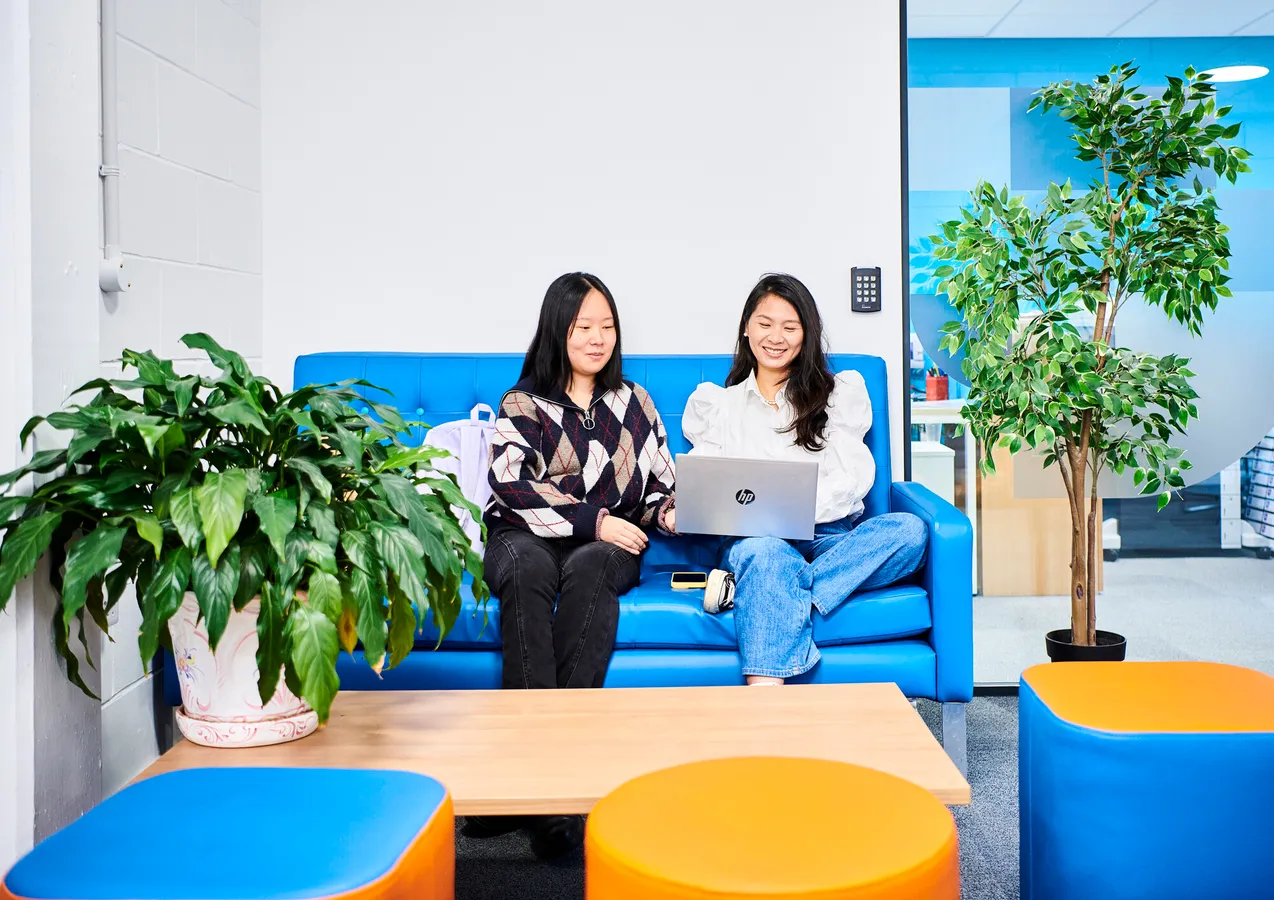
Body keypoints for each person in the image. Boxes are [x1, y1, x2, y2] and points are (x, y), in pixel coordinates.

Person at [470, 271, 676, 857]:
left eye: (606, 326)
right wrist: (595, 520)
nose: (596, 338)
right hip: (524, 534)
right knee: (527, 571)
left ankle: (530, 791)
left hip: (606, 545)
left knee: (592, 571)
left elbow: (659, 485)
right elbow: (509, 484)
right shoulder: (522, 402)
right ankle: (552, 796)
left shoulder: (634, 403)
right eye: (584, 326)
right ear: (557, 330)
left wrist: (670, 513)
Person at [682, 273, 927, 685]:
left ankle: (761, 592)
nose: (776, 336)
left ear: (805, 334)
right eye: (765, 323)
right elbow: (708, 482)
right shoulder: (719, 404)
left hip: (830, 539)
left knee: (910, 532)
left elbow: (853, 480)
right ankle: (767, 704)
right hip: (755, 543)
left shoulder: (837, 395)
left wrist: (796, 510)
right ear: (746, 328)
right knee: (768, 556)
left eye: (789, 326)